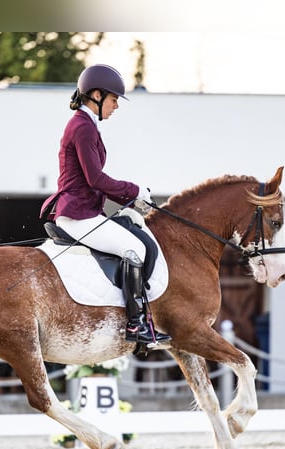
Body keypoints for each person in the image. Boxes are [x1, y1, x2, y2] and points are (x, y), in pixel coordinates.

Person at [40, 64, 171, 346]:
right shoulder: (82, 127)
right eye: (113, 99)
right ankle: (137, 325)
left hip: (86, 210)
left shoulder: (85, 124)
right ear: (96, 95)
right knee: (134, 248)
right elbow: (95, 178)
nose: (116, 106)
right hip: (78, 214)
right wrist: (134, 191)